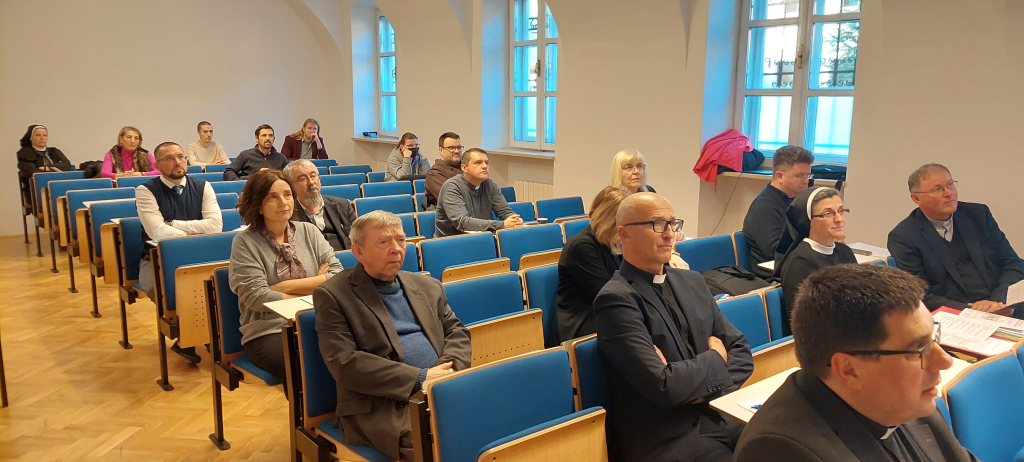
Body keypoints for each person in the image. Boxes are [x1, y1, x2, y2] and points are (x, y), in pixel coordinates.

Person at [734, 264, 978, 462]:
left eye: (934, 337)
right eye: (918, 348)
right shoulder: (780, 452)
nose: (945, 361)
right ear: (849, 370)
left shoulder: (912, 400)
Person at [595, 192, 753, 462]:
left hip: (721, 414)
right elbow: (664, 386)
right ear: (624, 234)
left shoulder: (693, 282)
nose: (670, 234)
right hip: (666, 438)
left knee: (785, 444)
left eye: (673, 223)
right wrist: (716, 357)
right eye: (656, 224)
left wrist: (697, 390)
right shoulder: (616, 300)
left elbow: (741, 352)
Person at [314, 210, 472, 461]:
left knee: (495, 418)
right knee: (445, 438)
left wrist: (448, 371)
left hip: (442, 387)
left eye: (401, 240)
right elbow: (344, 362)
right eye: (384, 242)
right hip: (382, 404)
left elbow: (456, 331)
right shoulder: (333, 295)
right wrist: (420, 378)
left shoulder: (427, 285)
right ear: (358, 252)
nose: (396, 249)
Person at [229, 169, 343, 384]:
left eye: (287, 194)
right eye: (273, 197)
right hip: (269, 330)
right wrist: (316, 286)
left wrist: (283, 286)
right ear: (258, 205)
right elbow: (257, 297)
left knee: (353, 355)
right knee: (307, 367)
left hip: (317, 320)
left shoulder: (309, 231)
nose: (284, 202)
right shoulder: (245, 243)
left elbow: (337, 277)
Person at [888, 163, 1024, 317]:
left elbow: (1013, 263)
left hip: (1002, 305)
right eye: (937, 189)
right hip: (956, 315)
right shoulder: (904, 237)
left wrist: (997, 302)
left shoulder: (978, 215)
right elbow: (920, 295)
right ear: (916, 198)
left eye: (950, 185)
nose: (948, 193)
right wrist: (974, 311)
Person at [556, 186, 689, 343]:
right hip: (585, 320)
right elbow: (608, 294)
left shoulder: (615, 241)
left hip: (618, 308)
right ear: (610, 221)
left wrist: (670, 254)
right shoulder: (581, 247)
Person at [136, 142, 223, 363]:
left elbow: (215, 226)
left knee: (220, 286)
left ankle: (203, 338)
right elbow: (157, 231)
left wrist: (174, 224)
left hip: (200, 257)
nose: (177, 162)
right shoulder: (146, 190)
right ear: (157, 164)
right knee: (163, 290)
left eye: (181, 157)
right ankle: (196, 337)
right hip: (157, 259)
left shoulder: (203, 186)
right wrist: (195, 233)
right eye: (169, 158)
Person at [774, 187, 856, 337]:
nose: (839, 219)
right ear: (808, 220)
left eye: (841, 211)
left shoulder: (845, 252)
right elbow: (804, 323)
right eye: (828, 214)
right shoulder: (800, 263)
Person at [742, 145, 814, 277]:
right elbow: (776, 251)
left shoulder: (796, 200)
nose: (806, 181)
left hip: (796, 267)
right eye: (799, 176)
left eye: (808, 175)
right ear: (779, 176)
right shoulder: (764, 207)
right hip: (773, 275)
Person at [434, 148, 522, 237]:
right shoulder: (452, 186)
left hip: (483, 238)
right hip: (453, 241)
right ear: (464, 168)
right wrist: (502, 225)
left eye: (486, 163)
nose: (484, 166)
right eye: (478, 163)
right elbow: (462, 223)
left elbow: (505, 211)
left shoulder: (489, 183)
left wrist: (514, 220)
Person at [284, 159, 357, 251]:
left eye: (313, 176)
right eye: (302, 179)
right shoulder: (288, 214)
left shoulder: (343, 205)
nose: (311, 182)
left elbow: (359, 239)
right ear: (291, 186)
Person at [17, 125, 72, 201]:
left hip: (58, 185)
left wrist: (47, 168)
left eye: (45, 135)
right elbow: (29, 171)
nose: (42, 138)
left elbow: (67, 165)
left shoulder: (54, 151)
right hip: (36, 189)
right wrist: (55, 170)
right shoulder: (25, 153)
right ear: (30, 138)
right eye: (38, 135)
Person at [224, 124, 288, 180]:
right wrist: (241, 182)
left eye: (270, 135)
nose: (267, 138)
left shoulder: (281, 158)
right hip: (252, 187)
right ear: (257, 138)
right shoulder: (245, 155)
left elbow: (289, 176)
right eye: (264, 135)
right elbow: (228, 171)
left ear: (274, 139)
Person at [424, 132, 463, 208]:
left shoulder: (467, 167)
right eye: (451, 148)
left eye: (459, 147)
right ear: (441, 150)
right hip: (451, 212)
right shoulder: (434, 173)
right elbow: (451, 199)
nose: (456, 151)